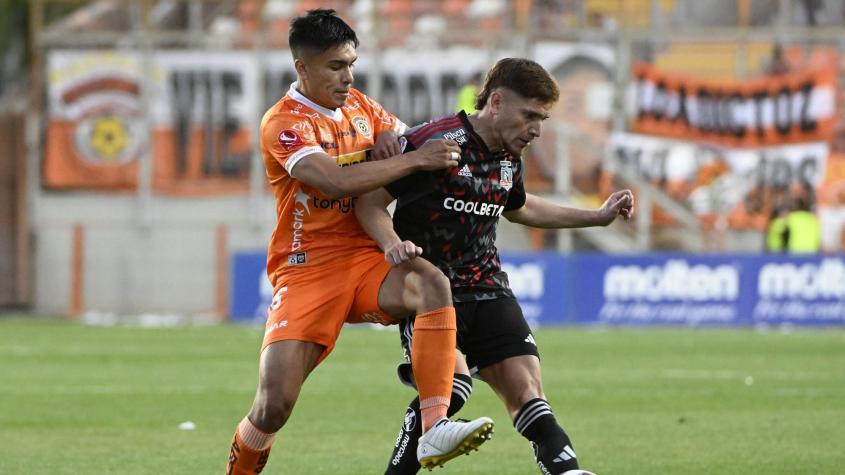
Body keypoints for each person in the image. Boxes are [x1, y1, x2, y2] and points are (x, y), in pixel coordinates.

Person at [225, 10, 495, 474]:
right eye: (335, 66)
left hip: (367, 259)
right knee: (274, 407)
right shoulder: (284, 124)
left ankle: (433, 430)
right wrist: (412, 161)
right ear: (301, 67)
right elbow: (331, 182)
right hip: (307, 268)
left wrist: (397, 137)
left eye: (351, 64)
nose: (347, 76)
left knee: (431, 283)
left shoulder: (362, 107)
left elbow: (407, 136)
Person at [355, 58, 634, 475]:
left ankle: (568, 471)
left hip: (489, 288)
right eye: (530, 116)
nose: (537, 129)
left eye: (542, 118)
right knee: (452, 389)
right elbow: (369, 201)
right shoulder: (434, 142)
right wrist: (392, 244)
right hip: (434, 293)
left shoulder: (508, 158)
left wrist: (595, 216)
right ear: (498, 102)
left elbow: (519, 208)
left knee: (528, 392)